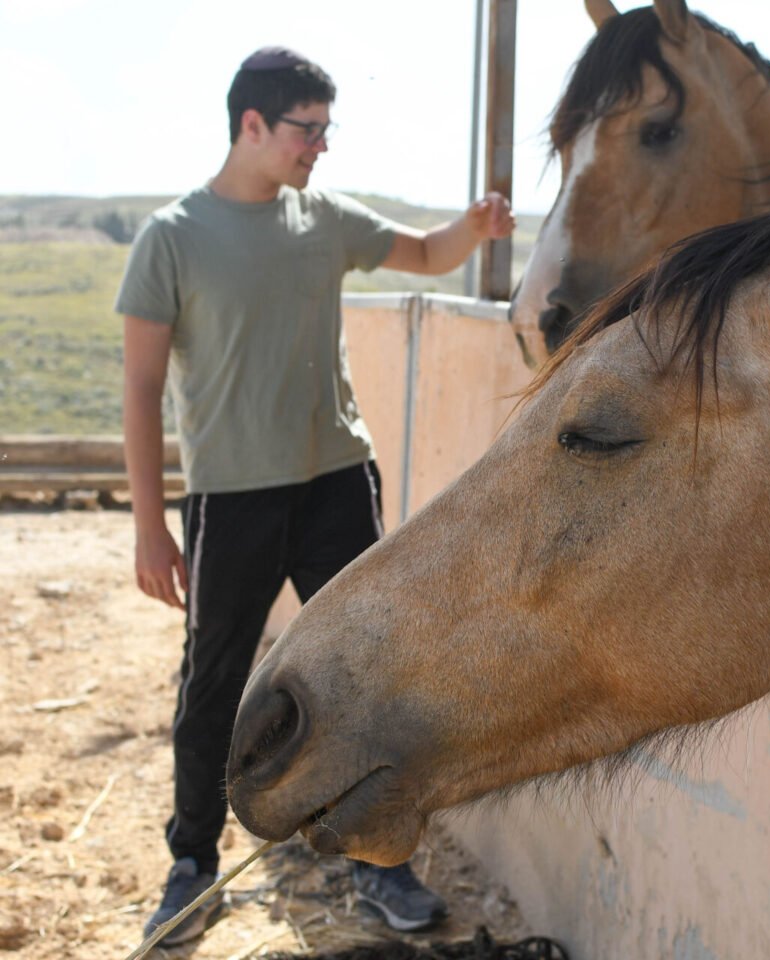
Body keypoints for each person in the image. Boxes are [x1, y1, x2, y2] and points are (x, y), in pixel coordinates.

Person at [115, 46, 515, 947]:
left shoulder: (324, 217)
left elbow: (425, 254)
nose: (321, 146)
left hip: (338, 481)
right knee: (215, 683)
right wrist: (148, 526)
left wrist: (475, 227)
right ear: (252, 124)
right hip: (232, 497)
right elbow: (139, 389)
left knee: (368, 677)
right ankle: (193, 863)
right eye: (308, 129)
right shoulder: (172, 237)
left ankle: (380, 864)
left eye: (327, 129)